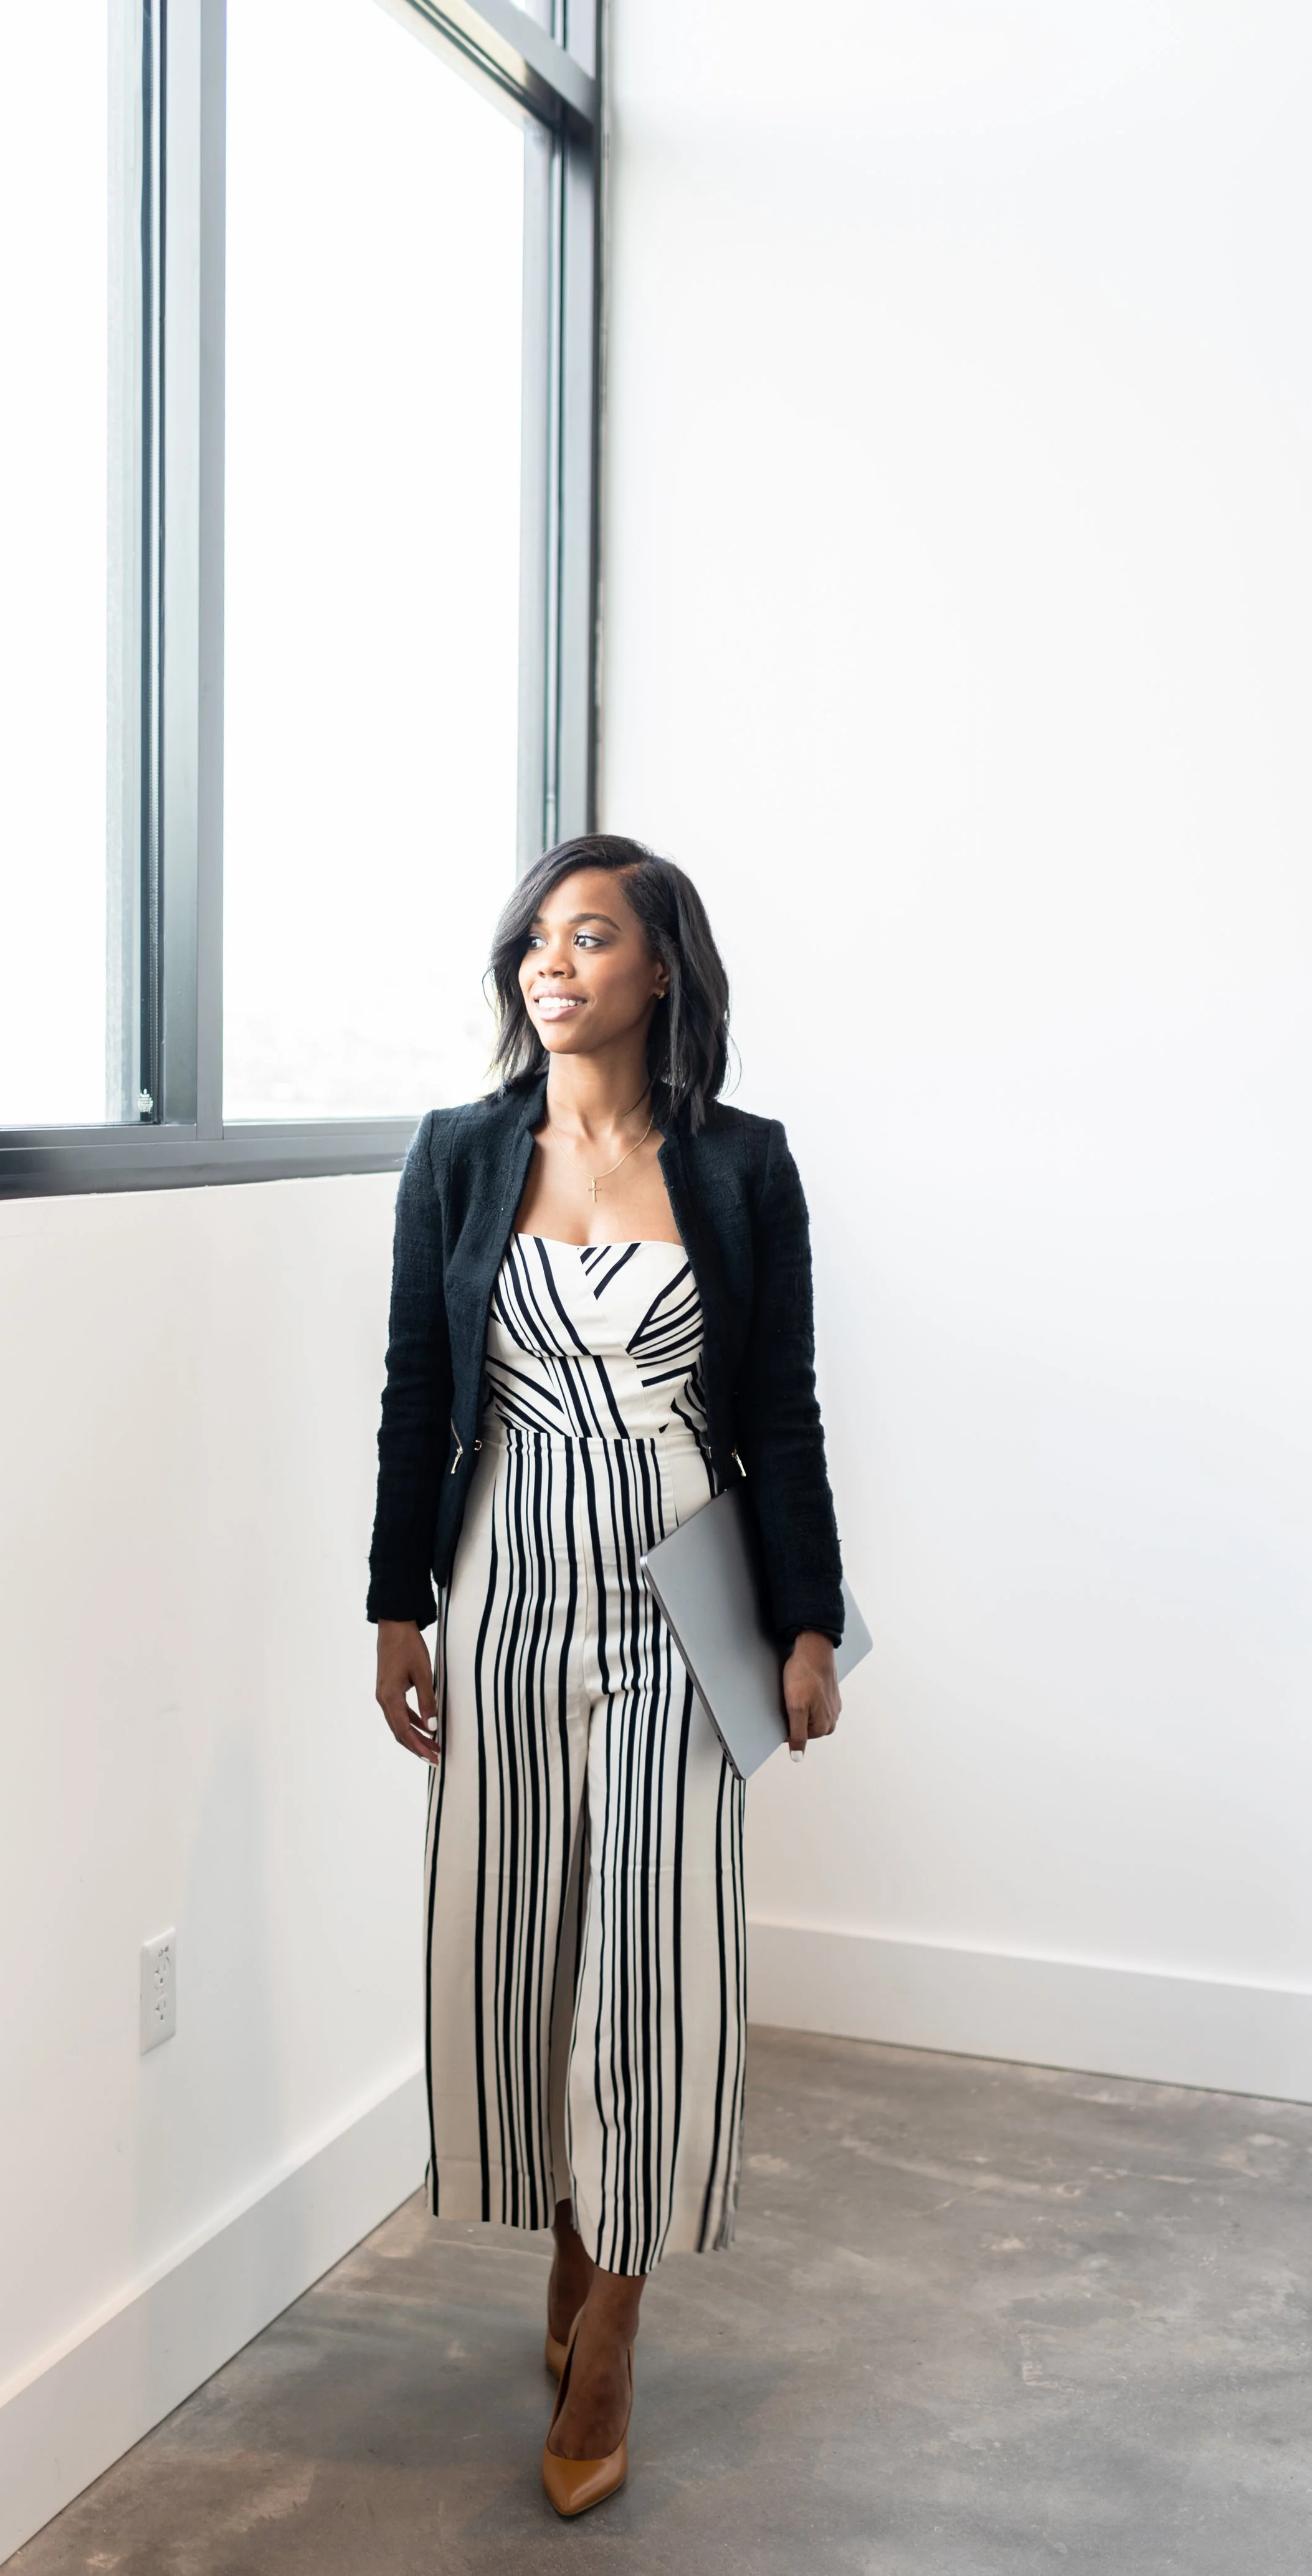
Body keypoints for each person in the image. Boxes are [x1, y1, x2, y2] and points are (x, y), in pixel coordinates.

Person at [368, 832, 844, 2517]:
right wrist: (396, 1605)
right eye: (535, 940)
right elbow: (414, 1384)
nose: (550, 965)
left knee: (655, 1954)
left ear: (660, 970)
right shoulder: (458, 1151)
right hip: (502, 1585)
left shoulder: (740, 1163)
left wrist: (808, 1618)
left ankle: (616, 2329)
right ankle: (567, 2248)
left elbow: (779, 1402)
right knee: (525, 1937)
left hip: (678, 1596)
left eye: (588, 938)